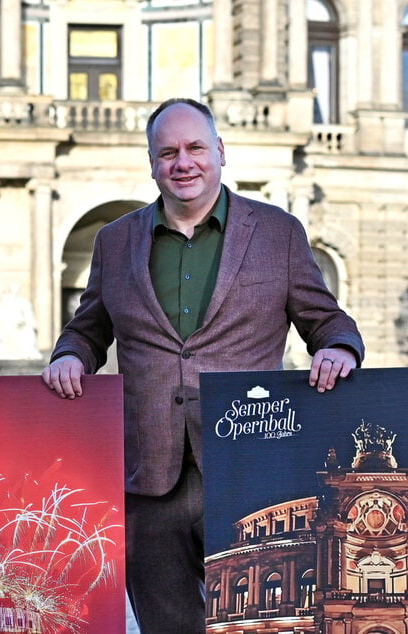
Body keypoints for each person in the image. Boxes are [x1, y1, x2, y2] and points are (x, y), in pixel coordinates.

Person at [41, 98, 364, 632]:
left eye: (194, 148)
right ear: (151, 163)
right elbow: (88, 328)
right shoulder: (114, 241)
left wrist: (338, 349)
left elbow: (327, 320)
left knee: (262, 623)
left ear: (219, 152)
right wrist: (70, 355)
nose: (182, 162)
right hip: (149, 481)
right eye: (167, 152)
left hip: (251, 477)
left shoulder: (277, 232)